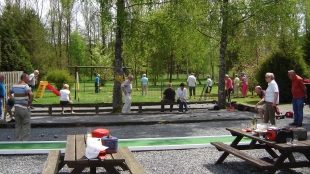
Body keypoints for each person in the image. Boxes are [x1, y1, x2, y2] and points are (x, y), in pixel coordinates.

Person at [9, 73, 33, 141]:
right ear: (24, 78)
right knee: (26, 125)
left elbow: (9, 93)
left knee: (17, 125)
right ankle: (24, 141)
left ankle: (16, 140)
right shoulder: (25, 86)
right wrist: (30, 102)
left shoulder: (14, 85)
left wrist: (13, 100)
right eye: (28, 78)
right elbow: (31, 94)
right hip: (24, 107)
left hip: (16, 107)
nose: (28, 79)